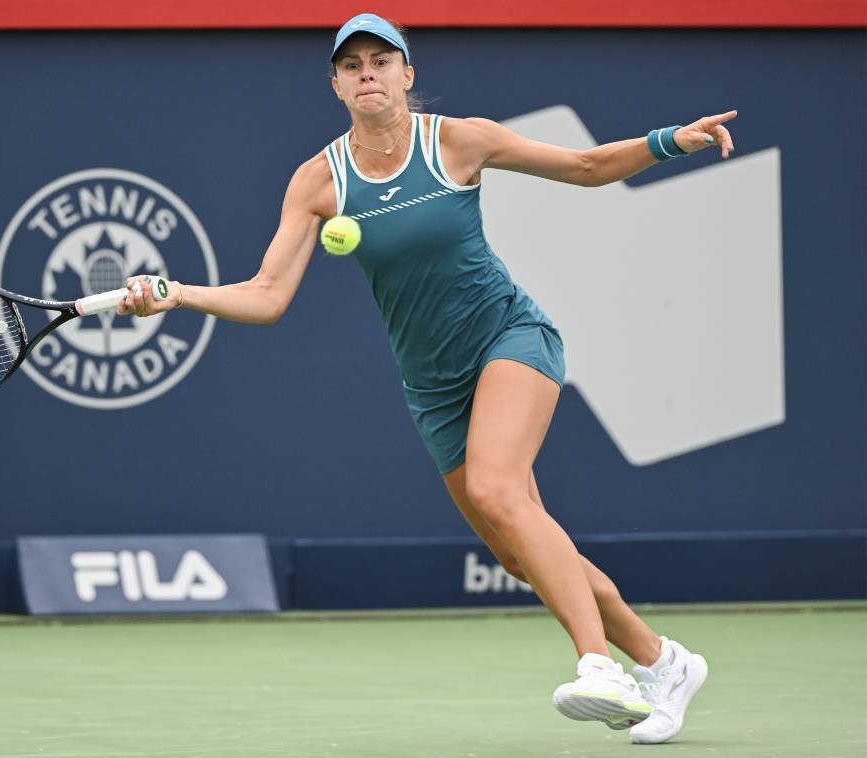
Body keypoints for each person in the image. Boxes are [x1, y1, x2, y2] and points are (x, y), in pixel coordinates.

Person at [119, 13, 731, 745]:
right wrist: (178, 293)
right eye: (352, 66)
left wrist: (671, 141)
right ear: (337, 85)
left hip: (509, 337)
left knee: (497, 490)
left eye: (381, 61)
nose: (368, 74)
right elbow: (267, 294)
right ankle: (664, 663)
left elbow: (585, 166)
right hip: (433, 385)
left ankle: (599, 667)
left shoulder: (459, 141)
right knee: (518, 552)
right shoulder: (319, 180)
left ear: (407, 74)